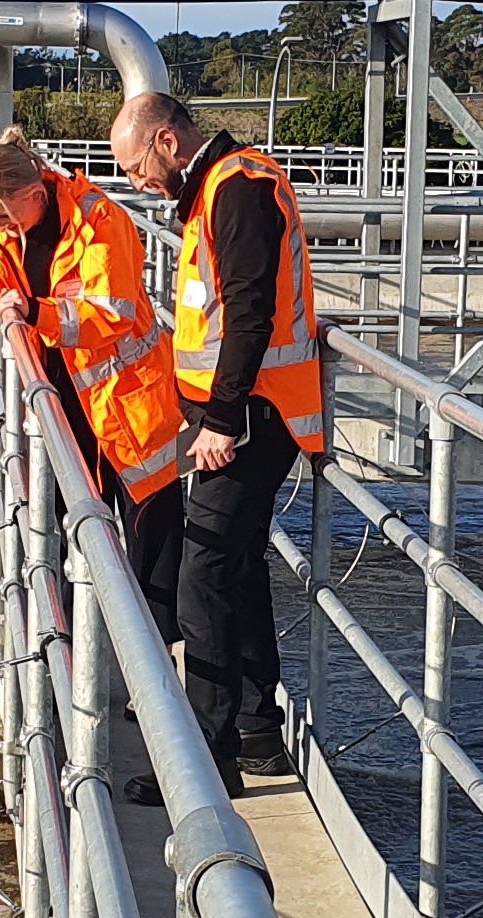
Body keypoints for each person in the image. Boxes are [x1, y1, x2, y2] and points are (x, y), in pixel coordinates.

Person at [108, 89, 326, 792]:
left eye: (137, 165)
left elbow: (251, 313)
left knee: (203, 574)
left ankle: (207, 756)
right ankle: (259, 732)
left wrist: (223, 420)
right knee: (237, 567)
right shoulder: (217, 189)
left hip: (254, 416)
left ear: (167, 141)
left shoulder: (237, 189)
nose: (136, 181)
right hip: (246, 411)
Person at [0, 130, 183, 642]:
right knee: (54, 528)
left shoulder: (100, 219)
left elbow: (112, 314)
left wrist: (35, 310)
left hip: (131, 405)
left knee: (155, 545)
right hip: (60, 406)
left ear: (35, 194)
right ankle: (63, 656)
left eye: (4, 217)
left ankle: (161, 670)